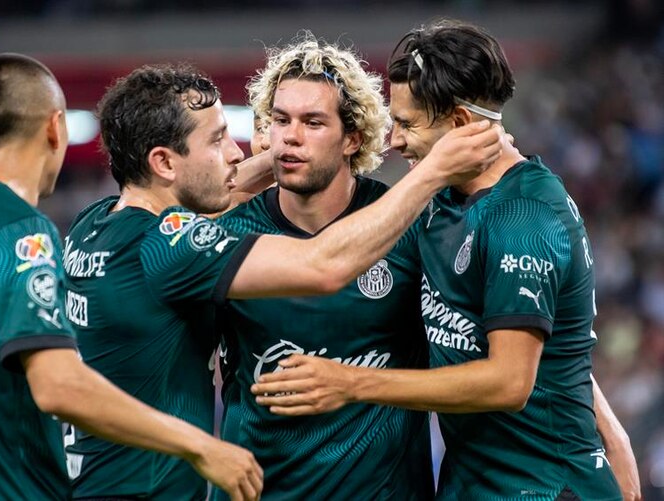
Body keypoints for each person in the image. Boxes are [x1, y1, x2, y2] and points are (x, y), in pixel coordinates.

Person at [62, 62, 503, 499]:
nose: (239, 153)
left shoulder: (93, 223)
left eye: (312, 122)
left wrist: (284, 154)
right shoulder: (177, 244)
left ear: (352, 138)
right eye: (218, 140)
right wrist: (433, 172)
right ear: (163, 162)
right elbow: (323, 265)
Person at [250, 20, 640, 501]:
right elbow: (549, 335)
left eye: (409, 124)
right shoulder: (440, 203)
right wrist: (272, 157)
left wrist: (351, 383)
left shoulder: (525, 217)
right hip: (469, 484)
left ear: (459, 124)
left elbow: (509, 380)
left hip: (545, 487)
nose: (393, 141)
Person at [0, 53, 264, 501]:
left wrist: (276, 162)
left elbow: (204, 195)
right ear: (56, 128)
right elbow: (59, 386)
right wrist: (200, 445)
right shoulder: (18, 233)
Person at [212, 35, 432, 500]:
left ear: (353, 138)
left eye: (313, 122)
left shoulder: (408, 224)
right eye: (280, 120)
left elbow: (492, 330)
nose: (290, 137)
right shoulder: (225, 232)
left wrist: (600, 420)